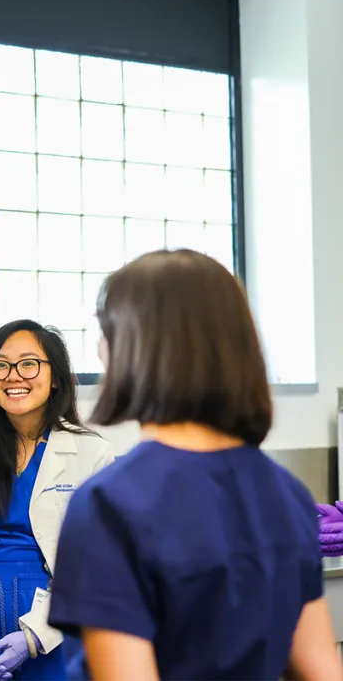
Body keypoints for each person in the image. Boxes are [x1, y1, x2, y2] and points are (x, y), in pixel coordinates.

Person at [48, 249, 343, 681]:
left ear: (136, 348)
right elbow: (322, 671)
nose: (99, 348)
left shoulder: (109, 506)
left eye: (105, 332)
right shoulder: (286, 494)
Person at [0, 320, 114, 681]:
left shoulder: (90, 452)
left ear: (56, 377)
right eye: (0, 365)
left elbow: (99, 563)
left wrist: (34, 636)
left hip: (56, 623)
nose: (13, 375)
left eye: (29, 363)